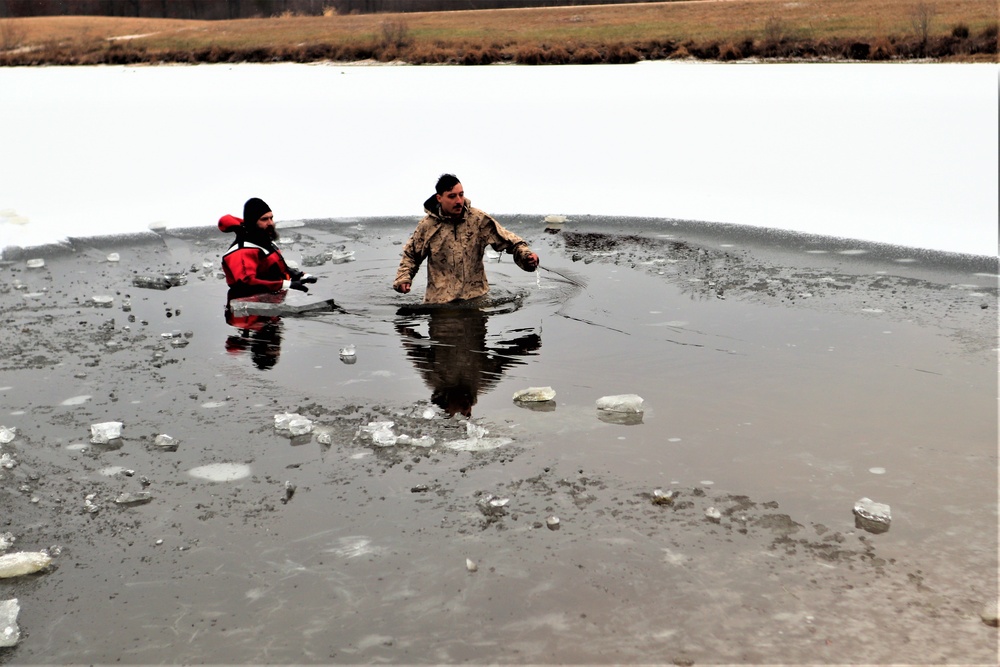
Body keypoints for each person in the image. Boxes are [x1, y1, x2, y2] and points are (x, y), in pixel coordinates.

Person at [393, 174, 539, 304]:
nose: (459, 201)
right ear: (439, 198)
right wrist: (404, 278)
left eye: (461, 195)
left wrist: (526, 256)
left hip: (476, 299)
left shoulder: (477, 219)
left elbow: (509, 240)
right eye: (452, 196)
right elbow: (411, 255)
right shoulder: (428, 226)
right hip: (440, 304)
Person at [219, 197, 318, 298]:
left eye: (271, 218)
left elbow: (276, 268)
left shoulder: (265, 242)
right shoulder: (241, 252)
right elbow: (246, 283)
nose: (270, 223)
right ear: (252, 223)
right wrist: (287, 285)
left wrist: (300, 276)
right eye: (264, 219)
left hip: (274, 301)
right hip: (251, 309)